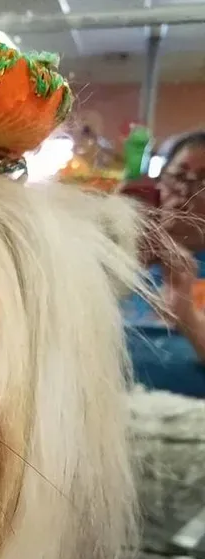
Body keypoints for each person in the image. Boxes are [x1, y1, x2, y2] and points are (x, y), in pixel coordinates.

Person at [122, 131, 205, 397]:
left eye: (203, 181)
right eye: (178, 175)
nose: (185, 190)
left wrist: (187, 314)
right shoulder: (124, 252)